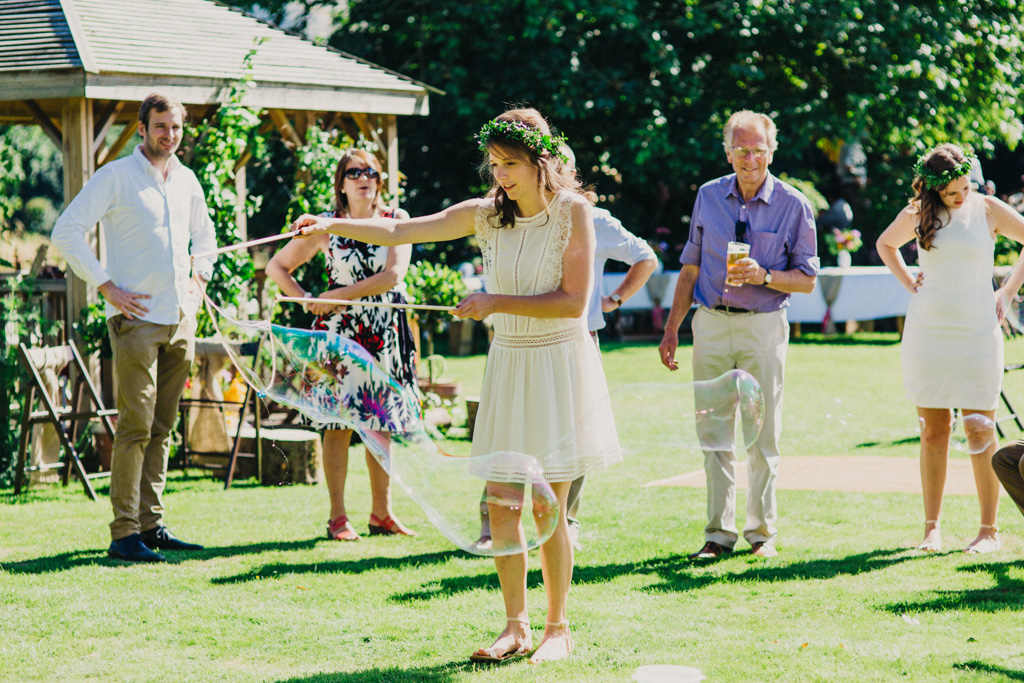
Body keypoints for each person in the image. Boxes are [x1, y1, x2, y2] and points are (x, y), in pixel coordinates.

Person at [291, 108, 621, 664]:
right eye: (494, 164)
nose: (501, 176)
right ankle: (515, 626)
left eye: (510, 163)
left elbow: (571, 303)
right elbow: (401, 229)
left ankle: (557, 629)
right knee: (501, 506)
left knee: (549, 509)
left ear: (541, 161)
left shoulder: (575, 214)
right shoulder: (487, 215)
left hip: (558, 366)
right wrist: (331, 226)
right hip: (510, 363)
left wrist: (495, 303)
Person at [51, 93, 216, 563]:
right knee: (136, 426)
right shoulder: (116, 176)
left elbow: (205, 238)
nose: (169, 135)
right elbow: (67, 230)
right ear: (141, 129)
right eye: (161, 126)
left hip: (180, 319)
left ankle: (151, 524)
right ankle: (124, 534)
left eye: (176, 127)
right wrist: (106, 286)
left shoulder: (186, 180)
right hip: (135, 322)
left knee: (163, 426)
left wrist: (198, 282)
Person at [474, 146, 657, 552]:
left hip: (571, 345)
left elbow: (644, 257)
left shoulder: (587, 216)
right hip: (517, 342)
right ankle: (496, 527)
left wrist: (615, 300)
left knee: (564, 452)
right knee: (510, 445)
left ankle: (560, 528)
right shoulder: (505, 213)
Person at [658, 110, 819, 560]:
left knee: (763, 436)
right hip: (709, 322)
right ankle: (717, 535)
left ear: (772, 151)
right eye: (742, 150)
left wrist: (765, 275)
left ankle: (762, 534)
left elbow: (807, 279)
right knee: (712, 433)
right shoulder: (708, 196)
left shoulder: (793, 204)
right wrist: (673, 328)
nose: (751, 159)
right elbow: (690, 266)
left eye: (759, 150)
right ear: (728, 153)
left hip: (764, 326)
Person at [876, 143, 1024, 554]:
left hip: (977, 330)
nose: (962, 196)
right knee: (934, 431)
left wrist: (1008, 290)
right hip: (929, 332)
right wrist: (908, 281)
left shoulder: (988, 209)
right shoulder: (918, 214)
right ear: (935, 189)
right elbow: (885, 244)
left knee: (980, 427)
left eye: (966, 186)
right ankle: (931, 529)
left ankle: (988, 531)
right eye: (953, 191)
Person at [266, 150, 418, 541]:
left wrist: (337, 295)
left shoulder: (396, 221)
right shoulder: (326, 228)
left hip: (385, 330)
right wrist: (306, 298)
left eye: (371, 172)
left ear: (380, 180)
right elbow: (275, 267)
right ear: (342, 183)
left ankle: (382, 514)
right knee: (338, 424)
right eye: (354, 172)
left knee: (381, 420)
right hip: (340, 333)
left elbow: (392, 276)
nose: (363, 178)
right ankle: (338, 518)